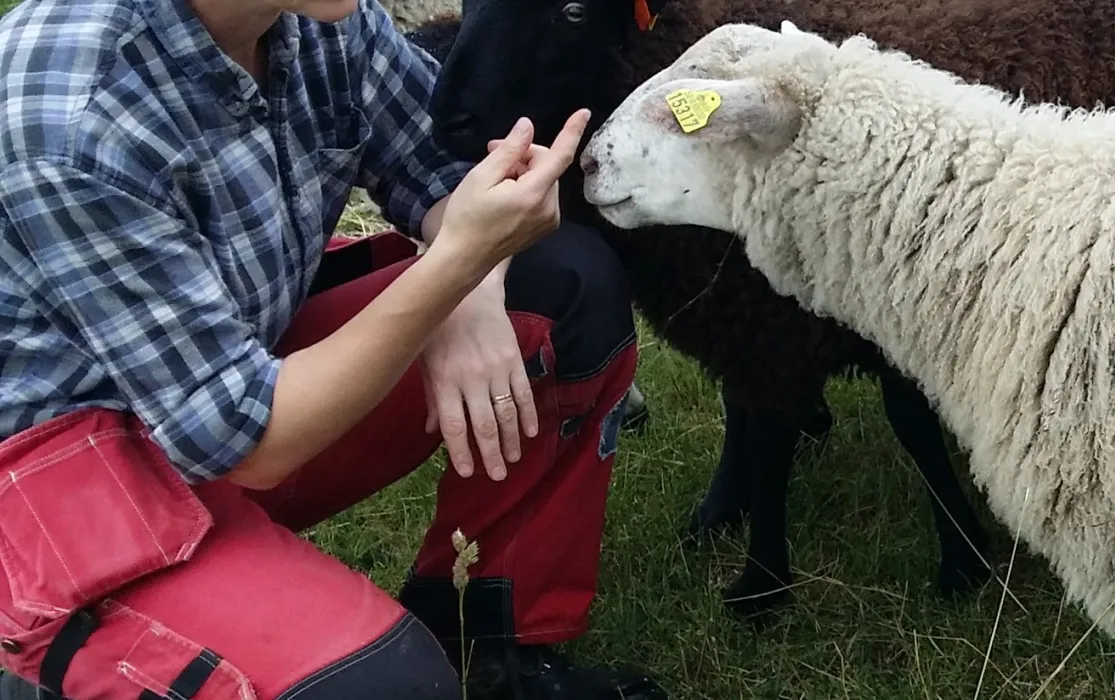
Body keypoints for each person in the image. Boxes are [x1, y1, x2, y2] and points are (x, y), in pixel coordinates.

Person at [0, 0, 667, 698]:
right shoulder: (73, 113)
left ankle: (490, 652)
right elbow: (245, 439)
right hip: (68, 487)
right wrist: (452, 268)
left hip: (225, 380)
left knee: (557, 283)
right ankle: (64, 657)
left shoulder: (316, 18)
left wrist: (469, 286)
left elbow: (449, 167)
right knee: (388, 690)